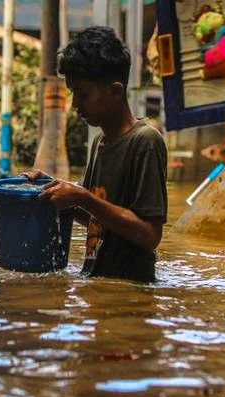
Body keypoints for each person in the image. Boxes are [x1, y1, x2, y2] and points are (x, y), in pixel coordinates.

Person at [22, 26, 168, 283]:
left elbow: (150, 235)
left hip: (128, 293)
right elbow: (95, 218)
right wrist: (54, 190)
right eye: (73, 94)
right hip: (99, 284)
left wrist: (81, 196)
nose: (76, 105)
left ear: (115, 91)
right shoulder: (100, 142)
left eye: (83, 95)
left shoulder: (145, 141)